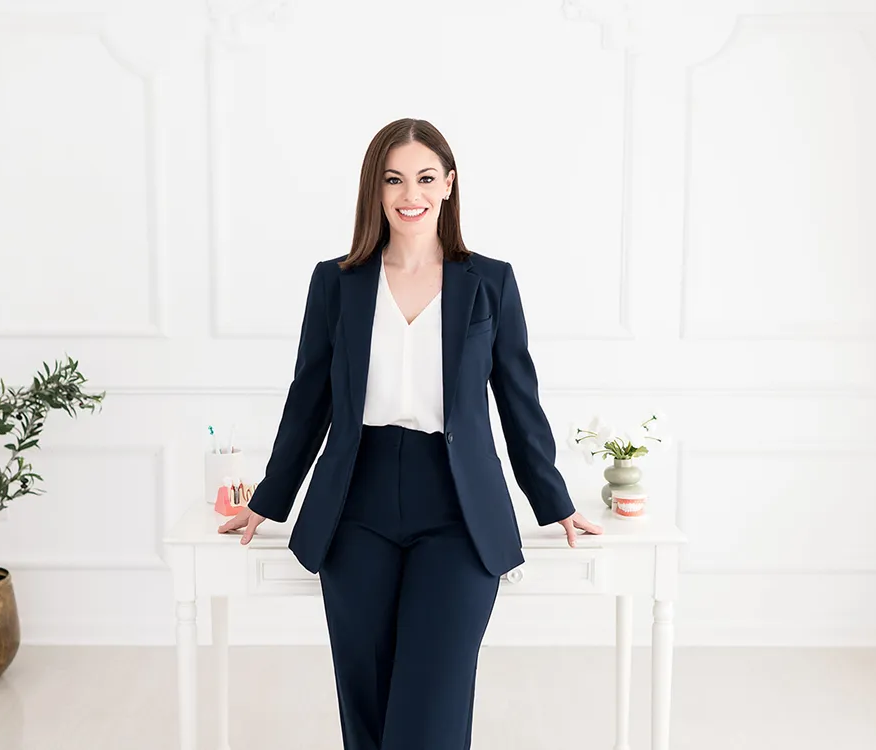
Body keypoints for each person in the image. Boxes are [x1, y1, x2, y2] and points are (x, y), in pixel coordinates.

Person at [217, 118, 604, 750]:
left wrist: (552, 499)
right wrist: (269, 497)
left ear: (449, 185)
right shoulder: (336, 282)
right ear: (375, 189)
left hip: (458, 510)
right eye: (393, 179)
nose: (409, 194)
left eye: (425, 178)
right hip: (357, 502)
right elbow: (309, 397)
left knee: (429, 713)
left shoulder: (490, 281)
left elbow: (518, 401)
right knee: (367, 711)